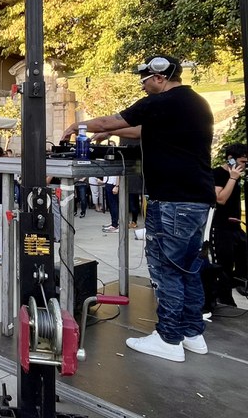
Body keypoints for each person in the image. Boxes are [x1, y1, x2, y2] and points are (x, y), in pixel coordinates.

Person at [62, 55, 215, 362]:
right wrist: (112, 133)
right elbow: (143, 131)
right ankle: (191, 333)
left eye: (145, 80)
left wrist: (74, 126)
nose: (143, 87)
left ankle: (169, 339)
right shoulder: (195, 103)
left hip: (172, 201)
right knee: (189, 269)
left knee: (166, 271)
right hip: (197, 200)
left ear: (159, 76)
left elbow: (109, 121)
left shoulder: (161, 102)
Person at [211, 144, 247, 306]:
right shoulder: (218, 174)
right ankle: (224, 300)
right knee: (223, 266)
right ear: (230, 159)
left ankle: (238, 286)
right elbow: (220, 199)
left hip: (236, 227)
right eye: (242, 161)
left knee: (242, 261)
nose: (244, 165)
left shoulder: (239, 176)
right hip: (220, 228)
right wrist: (232, 178)